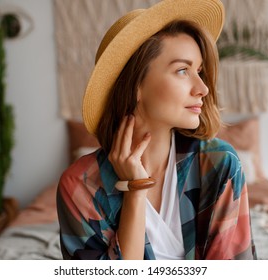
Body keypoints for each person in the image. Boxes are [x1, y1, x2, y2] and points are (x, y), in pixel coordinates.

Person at [57, 0, 257, 260]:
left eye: (199, 71)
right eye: (183, 70)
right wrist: (135, 190)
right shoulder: (81, 186)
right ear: (135, 84)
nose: (203, 88)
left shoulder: (219, 164)